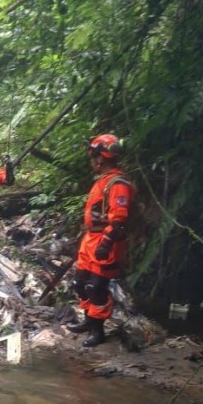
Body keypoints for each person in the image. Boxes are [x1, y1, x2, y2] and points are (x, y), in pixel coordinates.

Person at [66, 133, 135, 348]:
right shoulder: (102, 182)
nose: (92, 162)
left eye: (93, 158)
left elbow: (119, 219)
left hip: (107, 240)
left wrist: (106, 243)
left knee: (96, 287)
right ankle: (88, 321)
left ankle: (98, 331)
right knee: (80, 282)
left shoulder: (117, 183)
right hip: (90, 238)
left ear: (100, 158)